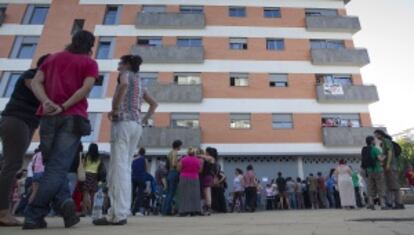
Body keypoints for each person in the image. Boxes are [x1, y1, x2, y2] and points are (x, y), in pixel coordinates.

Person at [24, 30, 100, 230]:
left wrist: (46, 101)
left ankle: (63, 202)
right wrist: (64, 106)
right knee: (57, 168)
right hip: (71, 117)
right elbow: (85, 88)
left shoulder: (52, 58)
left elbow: (35, 82)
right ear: (90, 45)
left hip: (48, 117)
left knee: (51, 167)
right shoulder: (89, 63)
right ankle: (34, 214)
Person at [94, 54, 158, 226]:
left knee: (118, 167)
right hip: (136, 125)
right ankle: (121, 211)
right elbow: (154, 104)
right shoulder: (140, 82)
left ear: (127, 64)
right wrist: (143, 120)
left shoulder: (125, 75)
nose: (118, 65)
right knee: (125, 167)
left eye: (120, 63)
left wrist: (114, 108)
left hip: (122, 123)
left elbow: (123, 85)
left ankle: (117, 214)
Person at [0, 54, 49, 227]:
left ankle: (5, 211)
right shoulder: (31, 75)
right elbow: (36, 89)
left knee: (11, 164)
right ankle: (2, 212)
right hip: (15, 119)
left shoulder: (44, 82)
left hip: (27, 122)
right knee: (11, 165)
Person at [374, 129, 404, 209]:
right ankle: (392, 203)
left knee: (395, 185)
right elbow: (385, 154)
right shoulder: (384, 142)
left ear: (380, 134)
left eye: (376, 135)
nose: (376, 137)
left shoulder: (386, 141)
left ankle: (399, 203)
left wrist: (387, 164)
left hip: (391, 167)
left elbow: (390, 152)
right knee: (390, 185)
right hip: (388, 166)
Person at [177, 148, 203, 216]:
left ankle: (183, 211)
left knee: (184, 194)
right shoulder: (198, 160)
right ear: (194, 153)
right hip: (195, 177)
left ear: (187, 153)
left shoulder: (183, 159)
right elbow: (200, 170)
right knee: (195, 194)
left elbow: (179, 169)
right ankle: (195, 210)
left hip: (184, 177)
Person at [364, 136, 387, 210]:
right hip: (377, 170)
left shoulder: (364, 149)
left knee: (370, 188)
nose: (375, 141)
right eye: (374, 140)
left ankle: (371, 204)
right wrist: (385, 155)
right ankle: (383, 205)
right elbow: (380, 159)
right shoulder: (375, 149)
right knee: (380, 187)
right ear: (371, 141)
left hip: (369, 171)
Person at [82, 143, 105, 215]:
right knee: (93, 194)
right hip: (95, 175)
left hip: (86, 175)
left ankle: (85, 210)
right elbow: (100, 168)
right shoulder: (99, 157)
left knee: (85, 193)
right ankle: (92, 210)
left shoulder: (86, 156)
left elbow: (83, 165)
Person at [162, 140, 183, 215]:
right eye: (180, 145)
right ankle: (167, 211)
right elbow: (174, 163)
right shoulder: (175, 153)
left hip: (169, 173)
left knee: (169, 193)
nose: (181, 147)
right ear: (178, 146)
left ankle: (165, 210)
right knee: (172, 193)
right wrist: (179, 162)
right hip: (174, 172)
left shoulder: (170, 152)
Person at [131, 148, 148, 216]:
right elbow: (146, 169)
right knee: (140, 194)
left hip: (133, 177)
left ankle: (129, 208)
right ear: (144, 153)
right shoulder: (144, 159)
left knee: (132, 194)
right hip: (141, 178)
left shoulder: (134, 159)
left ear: (138, 152)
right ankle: (136, 210)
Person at [200, 147, 216, 215]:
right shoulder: (207, 158)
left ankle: (208, 208)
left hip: (206, 176)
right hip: (206, 176)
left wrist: (197, 155)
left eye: (206, 151)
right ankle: (207, 208)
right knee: (205, 192)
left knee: (207, 192)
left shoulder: (211, 158)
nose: (205, 153)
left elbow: (205, 157)